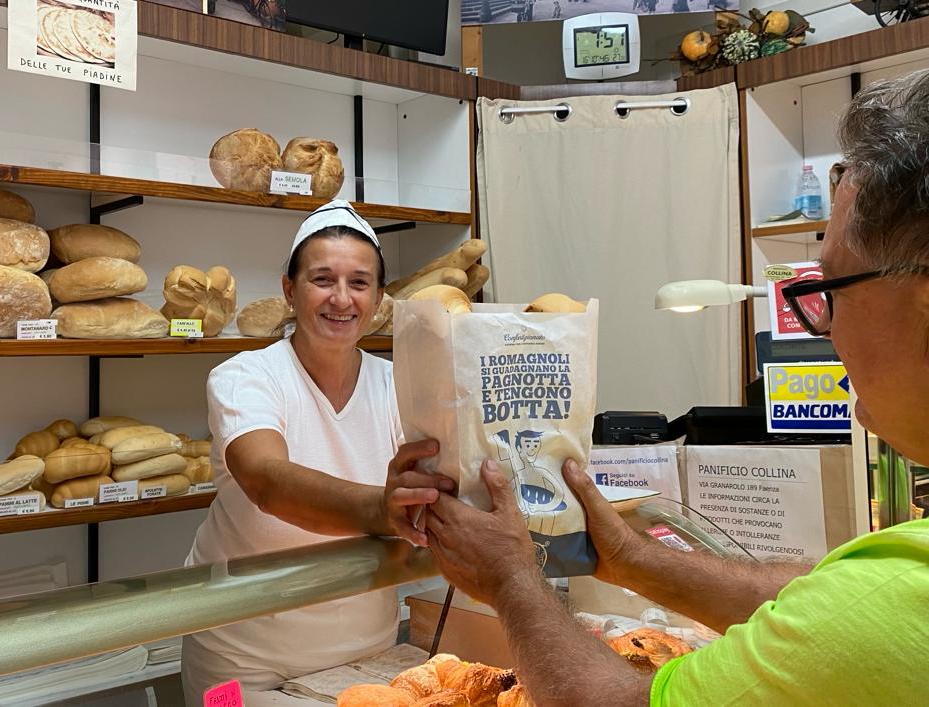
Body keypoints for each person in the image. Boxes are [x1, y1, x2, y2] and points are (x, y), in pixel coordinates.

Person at [424, 70, 929, 705]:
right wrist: (631, 558)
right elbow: (818, 606)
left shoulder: (895, 605)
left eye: (827, 290)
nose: (819, 324)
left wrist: (509, 580)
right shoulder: (895, 575)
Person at [181, 201, 453, 703]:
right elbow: (266, 479)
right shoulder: (246, 377)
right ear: (289, 289)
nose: (342, 299)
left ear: (377, 298)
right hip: (243, 655)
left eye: (360, 282)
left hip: (368, 652)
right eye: (323, 279)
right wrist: (381, 508)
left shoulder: (397, 385)